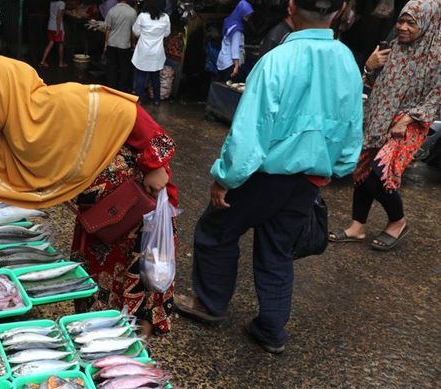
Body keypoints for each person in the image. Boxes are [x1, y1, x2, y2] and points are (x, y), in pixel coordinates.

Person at [0, 56, 179, 335]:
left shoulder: (62, 101)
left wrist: (155, 164)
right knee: (95, 278)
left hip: (137, 202)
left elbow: (126, 112)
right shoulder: (6, 142)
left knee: (142, 271)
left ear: (2, 96)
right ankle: (104, 336)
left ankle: (139, 345)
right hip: (96, 216)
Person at [174, 0, 363, 354]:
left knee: (217, 231)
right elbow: (353, 124)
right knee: (277, 250)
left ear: (292, 7)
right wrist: (340, 167)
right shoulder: (346, 61)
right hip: (309, 180)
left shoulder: (276, 60)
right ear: (337, 12)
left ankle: (210, 304)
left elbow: (249, 132)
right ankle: (271, 329)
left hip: (264, 175)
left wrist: (225, 178)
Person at [329, 0, 439, 251]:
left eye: (411, 23)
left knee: (380, 173)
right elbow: (369, 84)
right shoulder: (393, 49)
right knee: (362, 169)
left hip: (409, 123)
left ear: (427, 23)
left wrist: (407, 119)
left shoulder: (437, 54)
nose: (403, 27)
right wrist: (370, 66)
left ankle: (398, 221)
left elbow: (436, 96)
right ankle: (358, 226)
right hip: (378, 117)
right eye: (401, 20)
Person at [131, 0, 170, 103]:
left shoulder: (142, 16)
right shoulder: (165, 17)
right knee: (155, 76)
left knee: (141, 76)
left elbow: (136, 31)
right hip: (157, 52)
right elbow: (167, 33)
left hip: (143, 51)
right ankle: (157, 100)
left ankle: (139, 99)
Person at [103, 0, 137, 93]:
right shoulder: (132, 12)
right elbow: (133, 32)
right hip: (125, 45)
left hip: (112, 44)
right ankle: (122, 90)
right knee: (124, 69)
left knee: (111, 68)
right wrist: (133, 43)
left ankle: (110, 89)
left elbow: (108, 29)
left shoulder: (112, 10)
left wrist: (106, 43)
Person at [215, 0, 253, 81]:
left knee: (220, 86)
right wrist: (236, 66)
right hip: (230, 63)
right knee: (229, 88)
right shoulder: (237, 30)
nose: (246, 19)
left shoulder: (229, 21)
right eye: (246, 16)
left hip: (222, 60)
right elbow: (235, 49)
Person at [41, 0, 67, 68]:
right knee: (61, 44)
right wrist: (58, 29)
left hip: (50, 26)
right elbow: (58, 17)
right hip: (57, 27)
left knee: (50, 43)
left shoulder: (52, 2)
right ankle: (60, 63)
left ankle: (43, 61)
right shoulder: (62, 3)